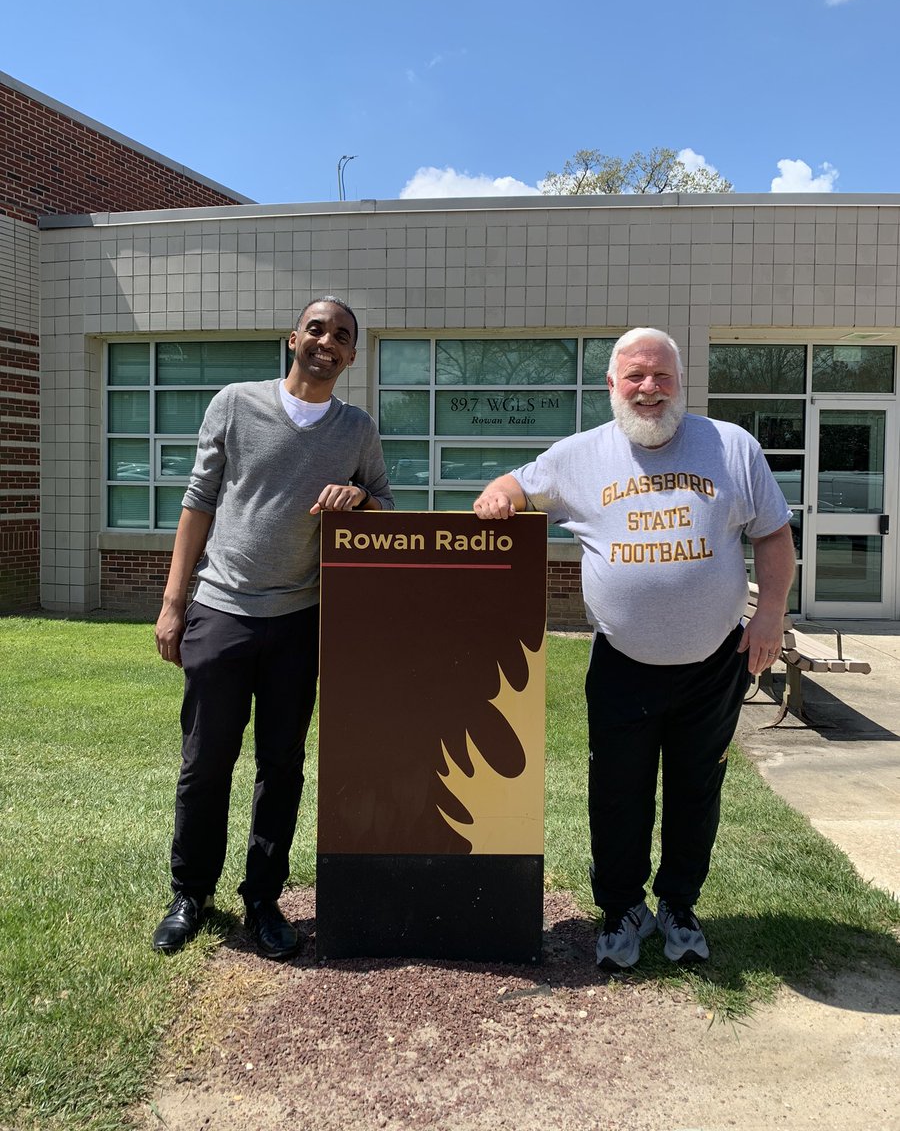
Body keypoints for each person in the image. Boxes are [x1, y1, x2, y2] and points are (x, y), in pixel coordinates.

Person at [473, 327, 794, 969]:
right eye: (636, 377)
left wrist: (771, 617)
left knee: (695, 789)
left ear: (681, 384)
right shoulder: (579, 456)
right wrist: (499, 496)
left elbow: (774, 535)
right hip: (622, 665)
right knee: (617, 793)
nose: (650, 389)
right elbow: (517, 485)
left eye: (662, 377)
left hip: (714, 663)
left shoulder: (731, 447)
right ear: (612, 387)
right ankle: (621, 909)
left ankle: (678, 903)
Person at [152, 297, 393, 959]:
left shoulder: (356, 428)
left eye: (342, 336)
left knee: (280, 767)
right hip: (222, 610)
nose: (328, 341)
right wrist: (175, 602)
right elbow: (198, 503)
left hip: (299, 620)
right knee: (205, 764)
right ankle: (190, 893)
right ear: (294, 338)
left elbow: (385, 507)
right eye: (317, 329)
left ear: (351, 355)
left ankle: (262, 899)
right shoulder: (234, 403)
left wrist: (361, 498)